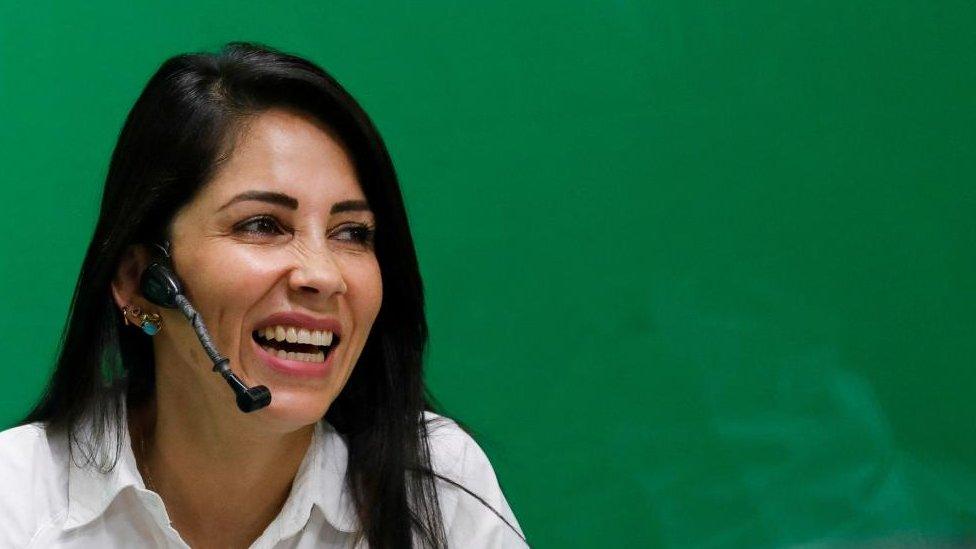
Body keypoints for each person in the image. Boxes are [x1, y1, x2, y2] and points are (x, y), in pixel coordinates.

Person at [0, 42, 526, 548]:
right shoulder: (16, 504)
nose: (323, 275)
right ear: (140, 280)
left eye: (352, 233)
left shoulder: (437, 484)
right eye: (262, 225)